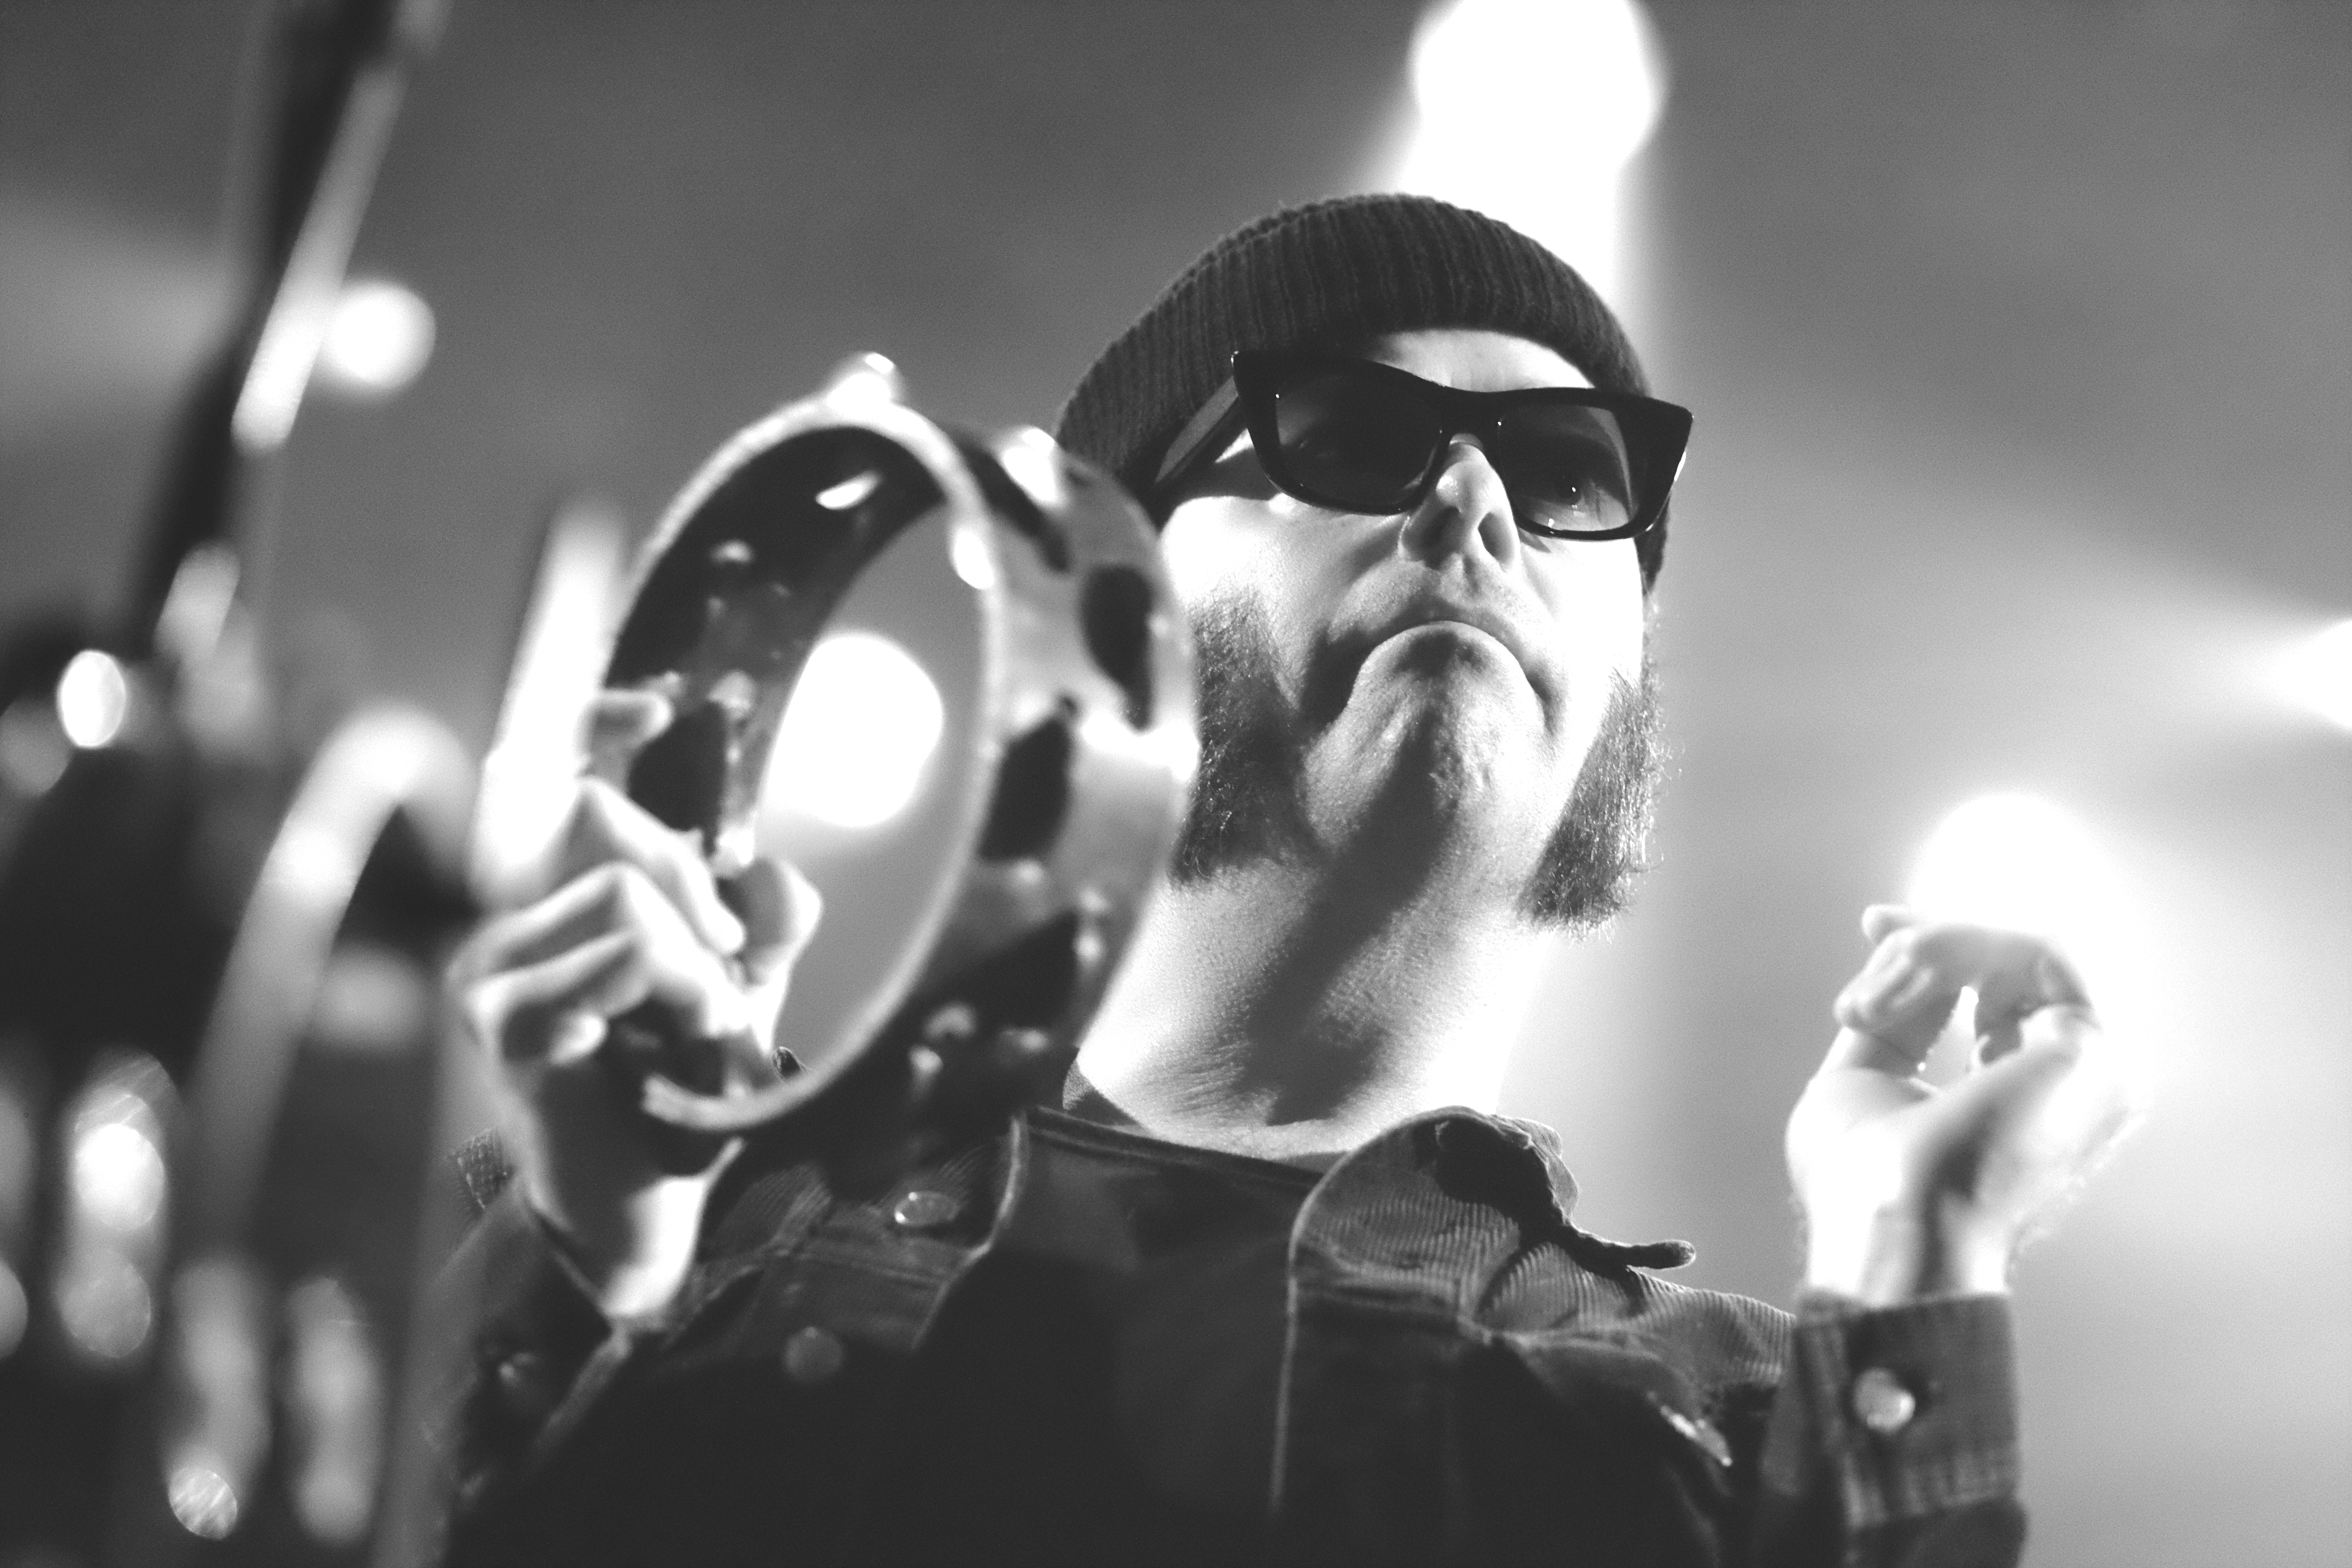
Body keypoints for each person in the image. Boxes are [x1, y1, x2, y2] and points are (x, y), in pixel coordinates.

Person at [431, 194, 2142, 1566]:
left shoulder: (1753, 1426)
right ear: (1109, 608)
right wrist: (582, 1281)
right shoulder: (676, 1208)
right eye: (1352, 430)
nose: (1473, 502)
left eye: (1570, 472)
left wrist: (1916, 1249)